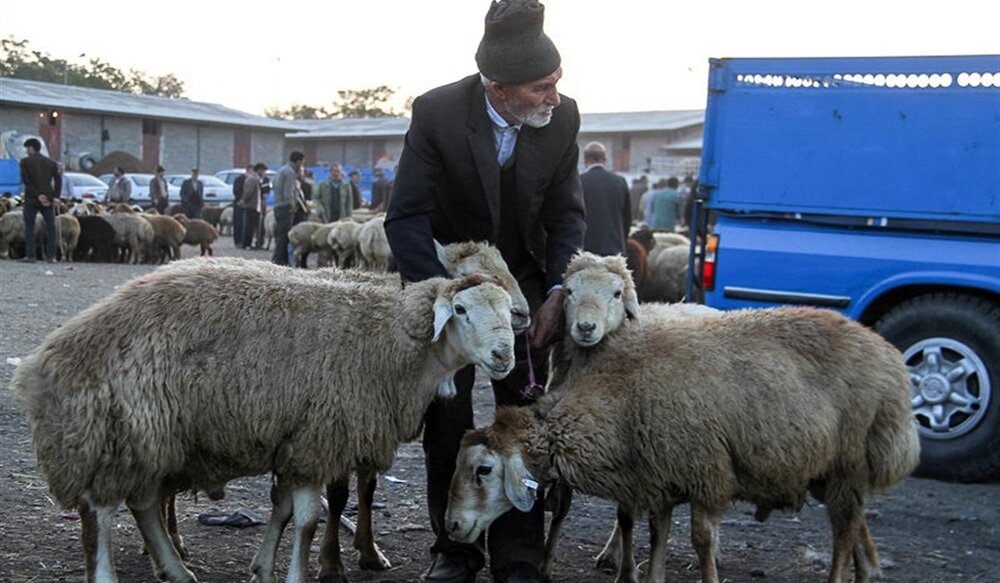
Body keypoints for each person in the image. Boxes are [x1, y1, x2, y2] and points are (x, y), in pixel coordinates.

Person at [383, 1, 584, 581]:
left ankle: (520, 557)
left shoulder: (562, 118)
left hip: (523, 287)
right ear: (498, 88)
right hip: (452, 286)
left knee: (522, 418)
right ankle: (455, 550)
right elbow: (406, 216)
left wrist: (557, 290)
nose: (554, 97)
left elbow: (566, 215)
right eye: (541, 88)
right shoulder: (438, 113)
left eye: (557, 82)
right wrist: (446, 300)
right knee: (447, 420)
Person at [579, 141, 630, 256]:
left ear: (585, 160)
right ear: (605, 159)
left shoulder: (579, 182)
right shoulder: (620, 182)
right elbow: (626, 219)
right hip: (615, 250)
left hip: (586, 250)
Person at [18, 137, 62, 262]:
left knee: (30, 227)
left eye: (27, 148)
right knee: (51, 227)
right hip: (48, 199)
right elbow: (58, 181)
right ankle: (51, 256)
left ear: (31, 148)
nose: (26, 151)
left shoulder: (25, 162)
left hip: (32, 198)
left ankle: (31, 256)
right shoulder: (51, 163)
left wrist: (38, 195)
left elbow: (27, 182)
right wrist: (54, 197)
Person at [271, 151, 304, 265]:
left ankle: (279, 260)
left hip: (278, 205)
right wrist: (292, 206)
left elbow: (274, 185)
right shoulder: (290, 172)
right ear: (298, 161)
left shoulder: (281, 170)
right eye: (302, 162)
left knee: (280, 235)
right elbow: (289, 192)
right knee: (284, 237)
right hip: (285, 208)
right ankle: (279, 261)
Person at [240, 163, 266, 249]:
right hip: (251, 206)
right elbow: (249, 192)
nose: (264, 173)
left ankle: (257, 243)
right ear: (259, 170)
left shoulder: (257, 179)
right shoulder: (252, 179)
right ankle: (247, 244)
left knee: (256, 226)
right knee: (249, 226)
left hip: (256, 206)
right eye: (263, 171)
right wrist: (244, 200)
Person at [231, 165, 253, 246]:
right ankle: (238, 241)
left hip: (248, 205)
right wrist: (241, 200)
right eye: (251, 171)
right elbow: (236, 191)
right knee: (238, 223)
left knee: (246, 224)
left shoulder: (252, 180)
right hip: (239, 204)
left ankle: (244, 241)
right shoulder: (239, 179)